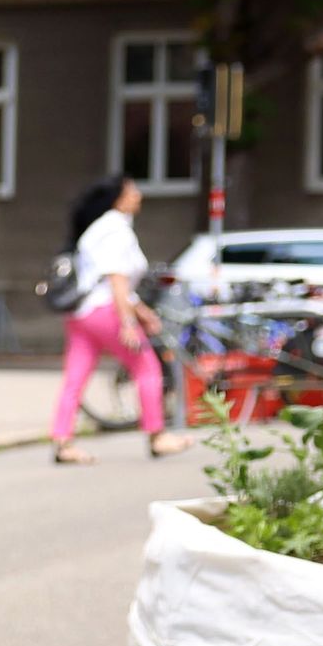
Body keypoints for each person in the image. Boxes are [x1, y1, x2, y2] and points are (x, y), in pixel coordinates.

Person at [52, 171, 194, 466]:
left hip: (82, 314)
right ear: (118, 198)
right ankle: (157, 436)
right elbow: (117, 280)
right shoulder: (116, 229)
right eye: (132, 191)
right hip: (108, 312)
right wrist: (129, 322)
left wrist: (142, 312)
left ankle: (63, 442)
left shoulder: (97, 229)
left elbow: (111, 283)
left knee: (74, 378)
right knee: (147, 368)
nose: (138, 195)